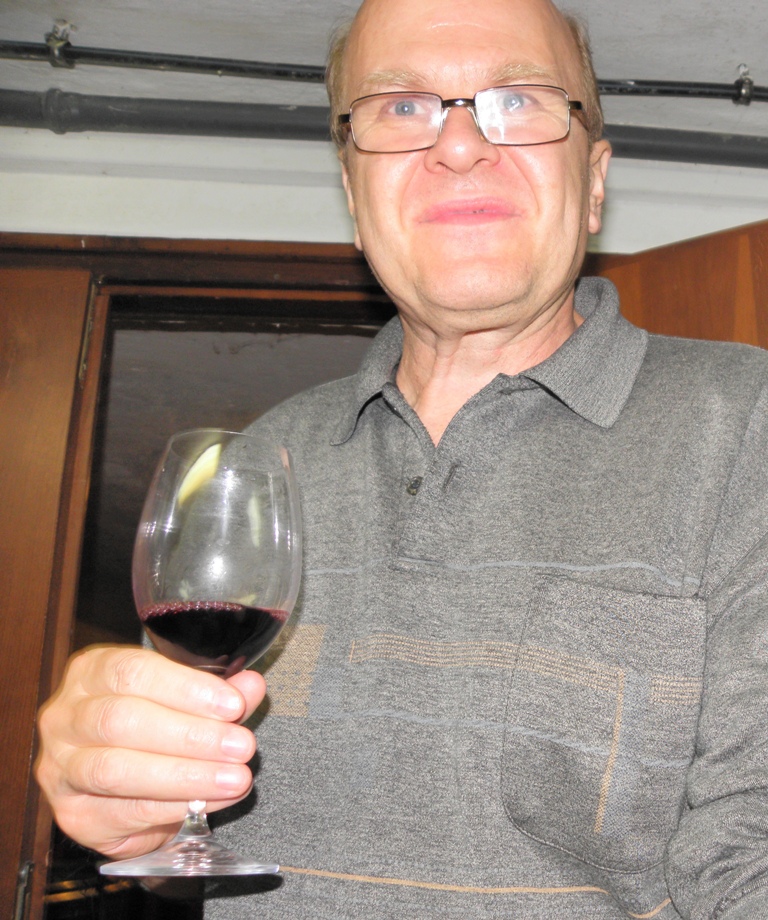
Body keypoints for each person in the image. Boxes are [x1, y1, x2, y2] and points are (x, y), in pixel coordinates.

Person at [36, 0, 768, 916]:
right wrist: (132, 813)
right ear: (353, 198)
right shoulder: (260, 461)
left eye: (518, 99)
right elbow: (191, 826)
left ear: (593, 183)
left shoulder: (747, 424)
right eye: (402, 107)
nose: (459, 145)